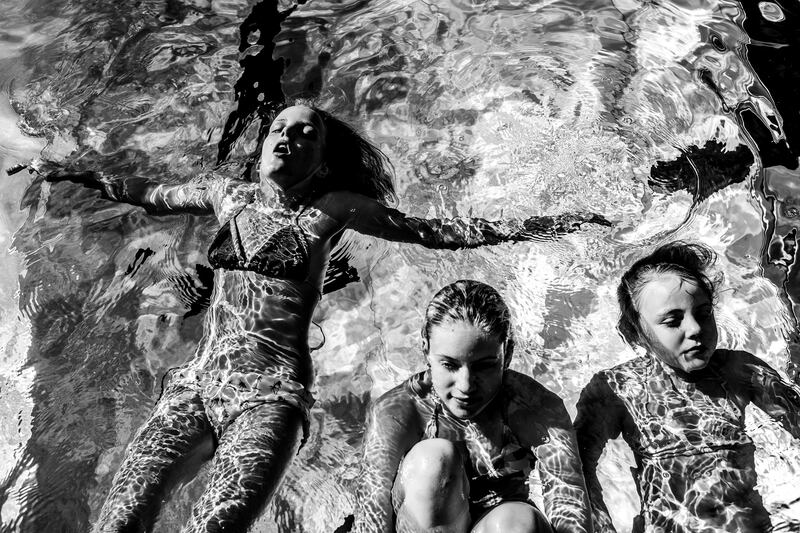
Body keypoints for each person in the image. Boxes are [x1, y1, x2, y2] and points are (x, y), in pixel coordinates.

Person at [22, 103, 608, 533]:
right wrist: (76, 174)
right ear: (263, 147)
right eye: (280, 127)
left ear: (323, 163)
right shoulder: (227, 198)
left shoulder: (331, 210)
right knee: (120, 520)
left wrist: (544, 226)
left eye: (308, 133)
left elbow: (430, 232)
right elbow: (150, 193)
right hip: (196, 385)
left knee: (215, 526)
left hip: (270, 395)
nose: (289, 136)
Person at [575, 241, 800, 532]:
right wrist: (602, 526)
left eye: (703, 313)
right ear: (635, 333)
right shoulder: (617, 389)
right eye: (672, 321)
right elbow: (577, 467)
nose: (695, 329)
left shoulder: (740, 371)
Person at [353, 280, 593, 533]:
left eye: (484, 366)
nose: (466, 386)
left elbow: (568, 497)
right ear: (426, 350)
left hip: (496, 523)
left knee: (517, 524)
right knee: (432, 461)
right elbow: (372, 507)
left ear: (508, 354)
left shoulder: (534, 408)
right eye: (449, 365)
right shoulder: (399, 410)